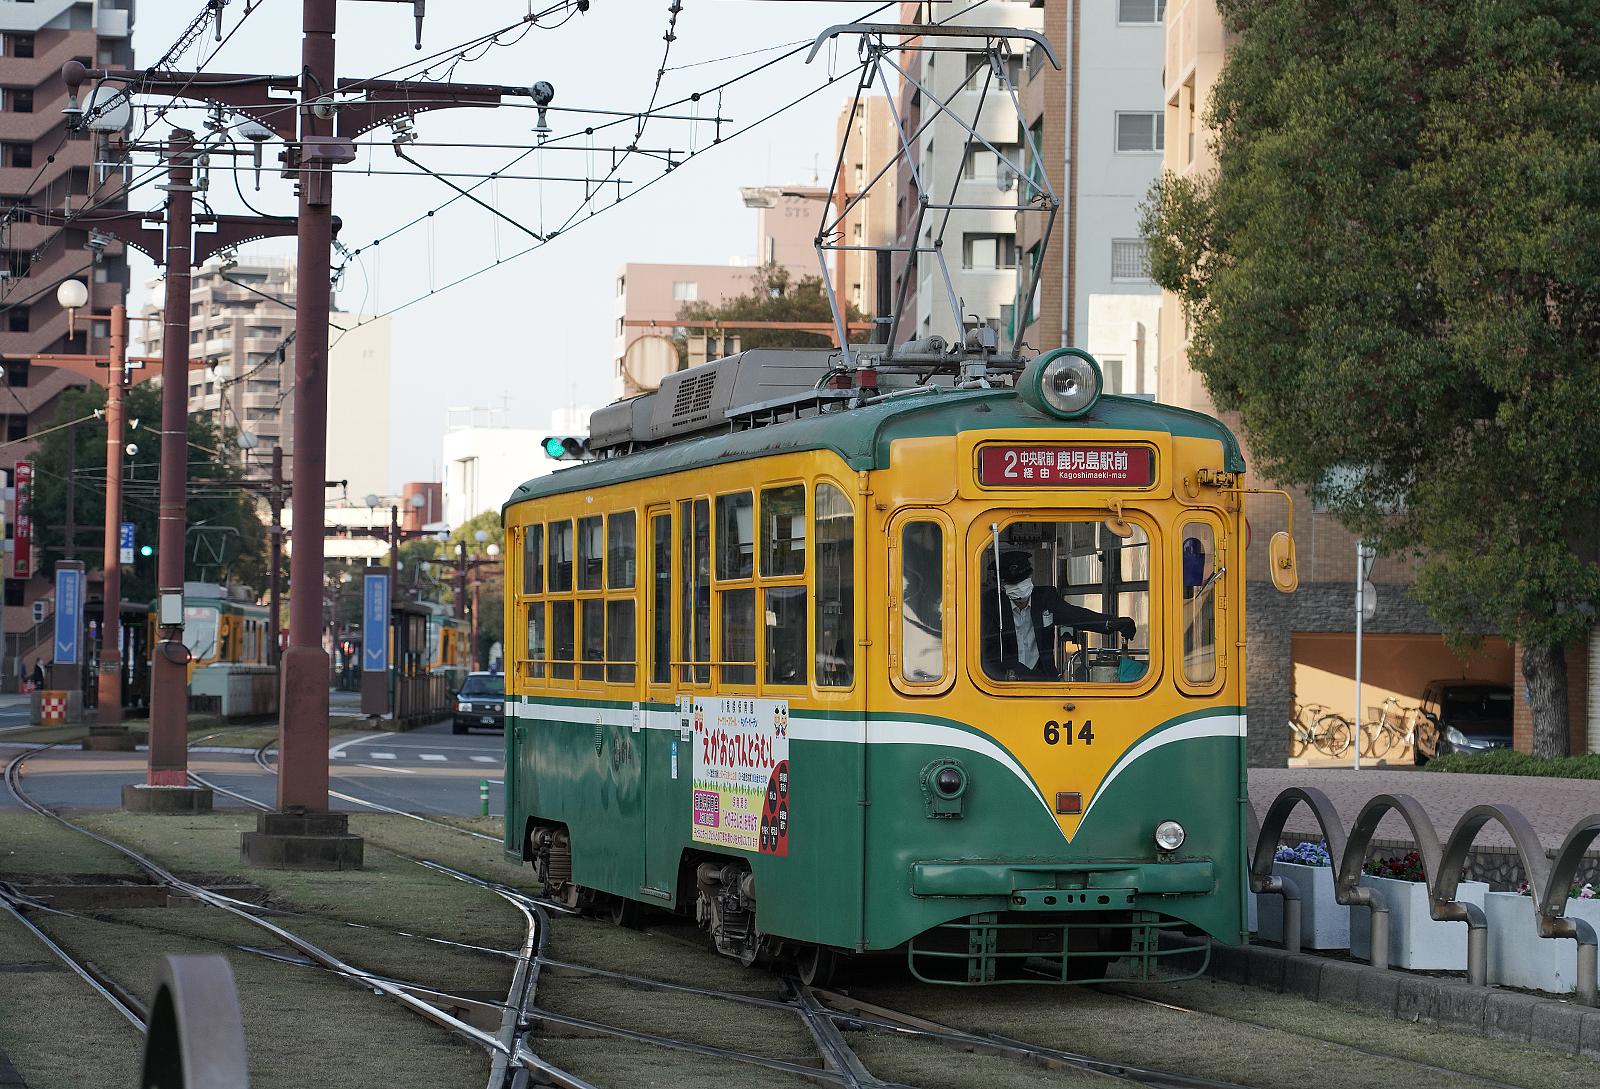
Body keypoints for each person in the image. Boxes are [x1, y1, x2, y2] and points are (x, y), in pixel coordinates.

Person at [980, 550, 1136, 681]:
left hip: (1044, 677)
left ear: (1031, 577)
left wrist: (1112, 622)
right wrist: (1025, 675)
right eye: (1012, 584)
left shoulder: (1046, 597)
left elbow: (1074, 615)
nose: (1020, 588)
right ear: (1001, 585)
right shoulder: (990, 605)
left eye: (1023, 581)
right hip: (1002, 682)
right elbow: (991, 650)